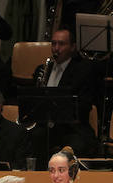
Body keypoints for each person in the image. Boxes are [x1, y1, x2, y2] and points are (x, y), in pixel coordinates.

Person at [30, 29, 98, 160]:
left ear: (73, 47)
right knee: (31, 138)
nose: (56, 48)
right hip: (46, 127)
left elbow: (84, 106)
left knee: (77, 145)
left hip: (71, 128)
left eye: (61, 44)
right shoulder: (42, 70)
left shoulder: (83, 70)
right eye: (53, 43)